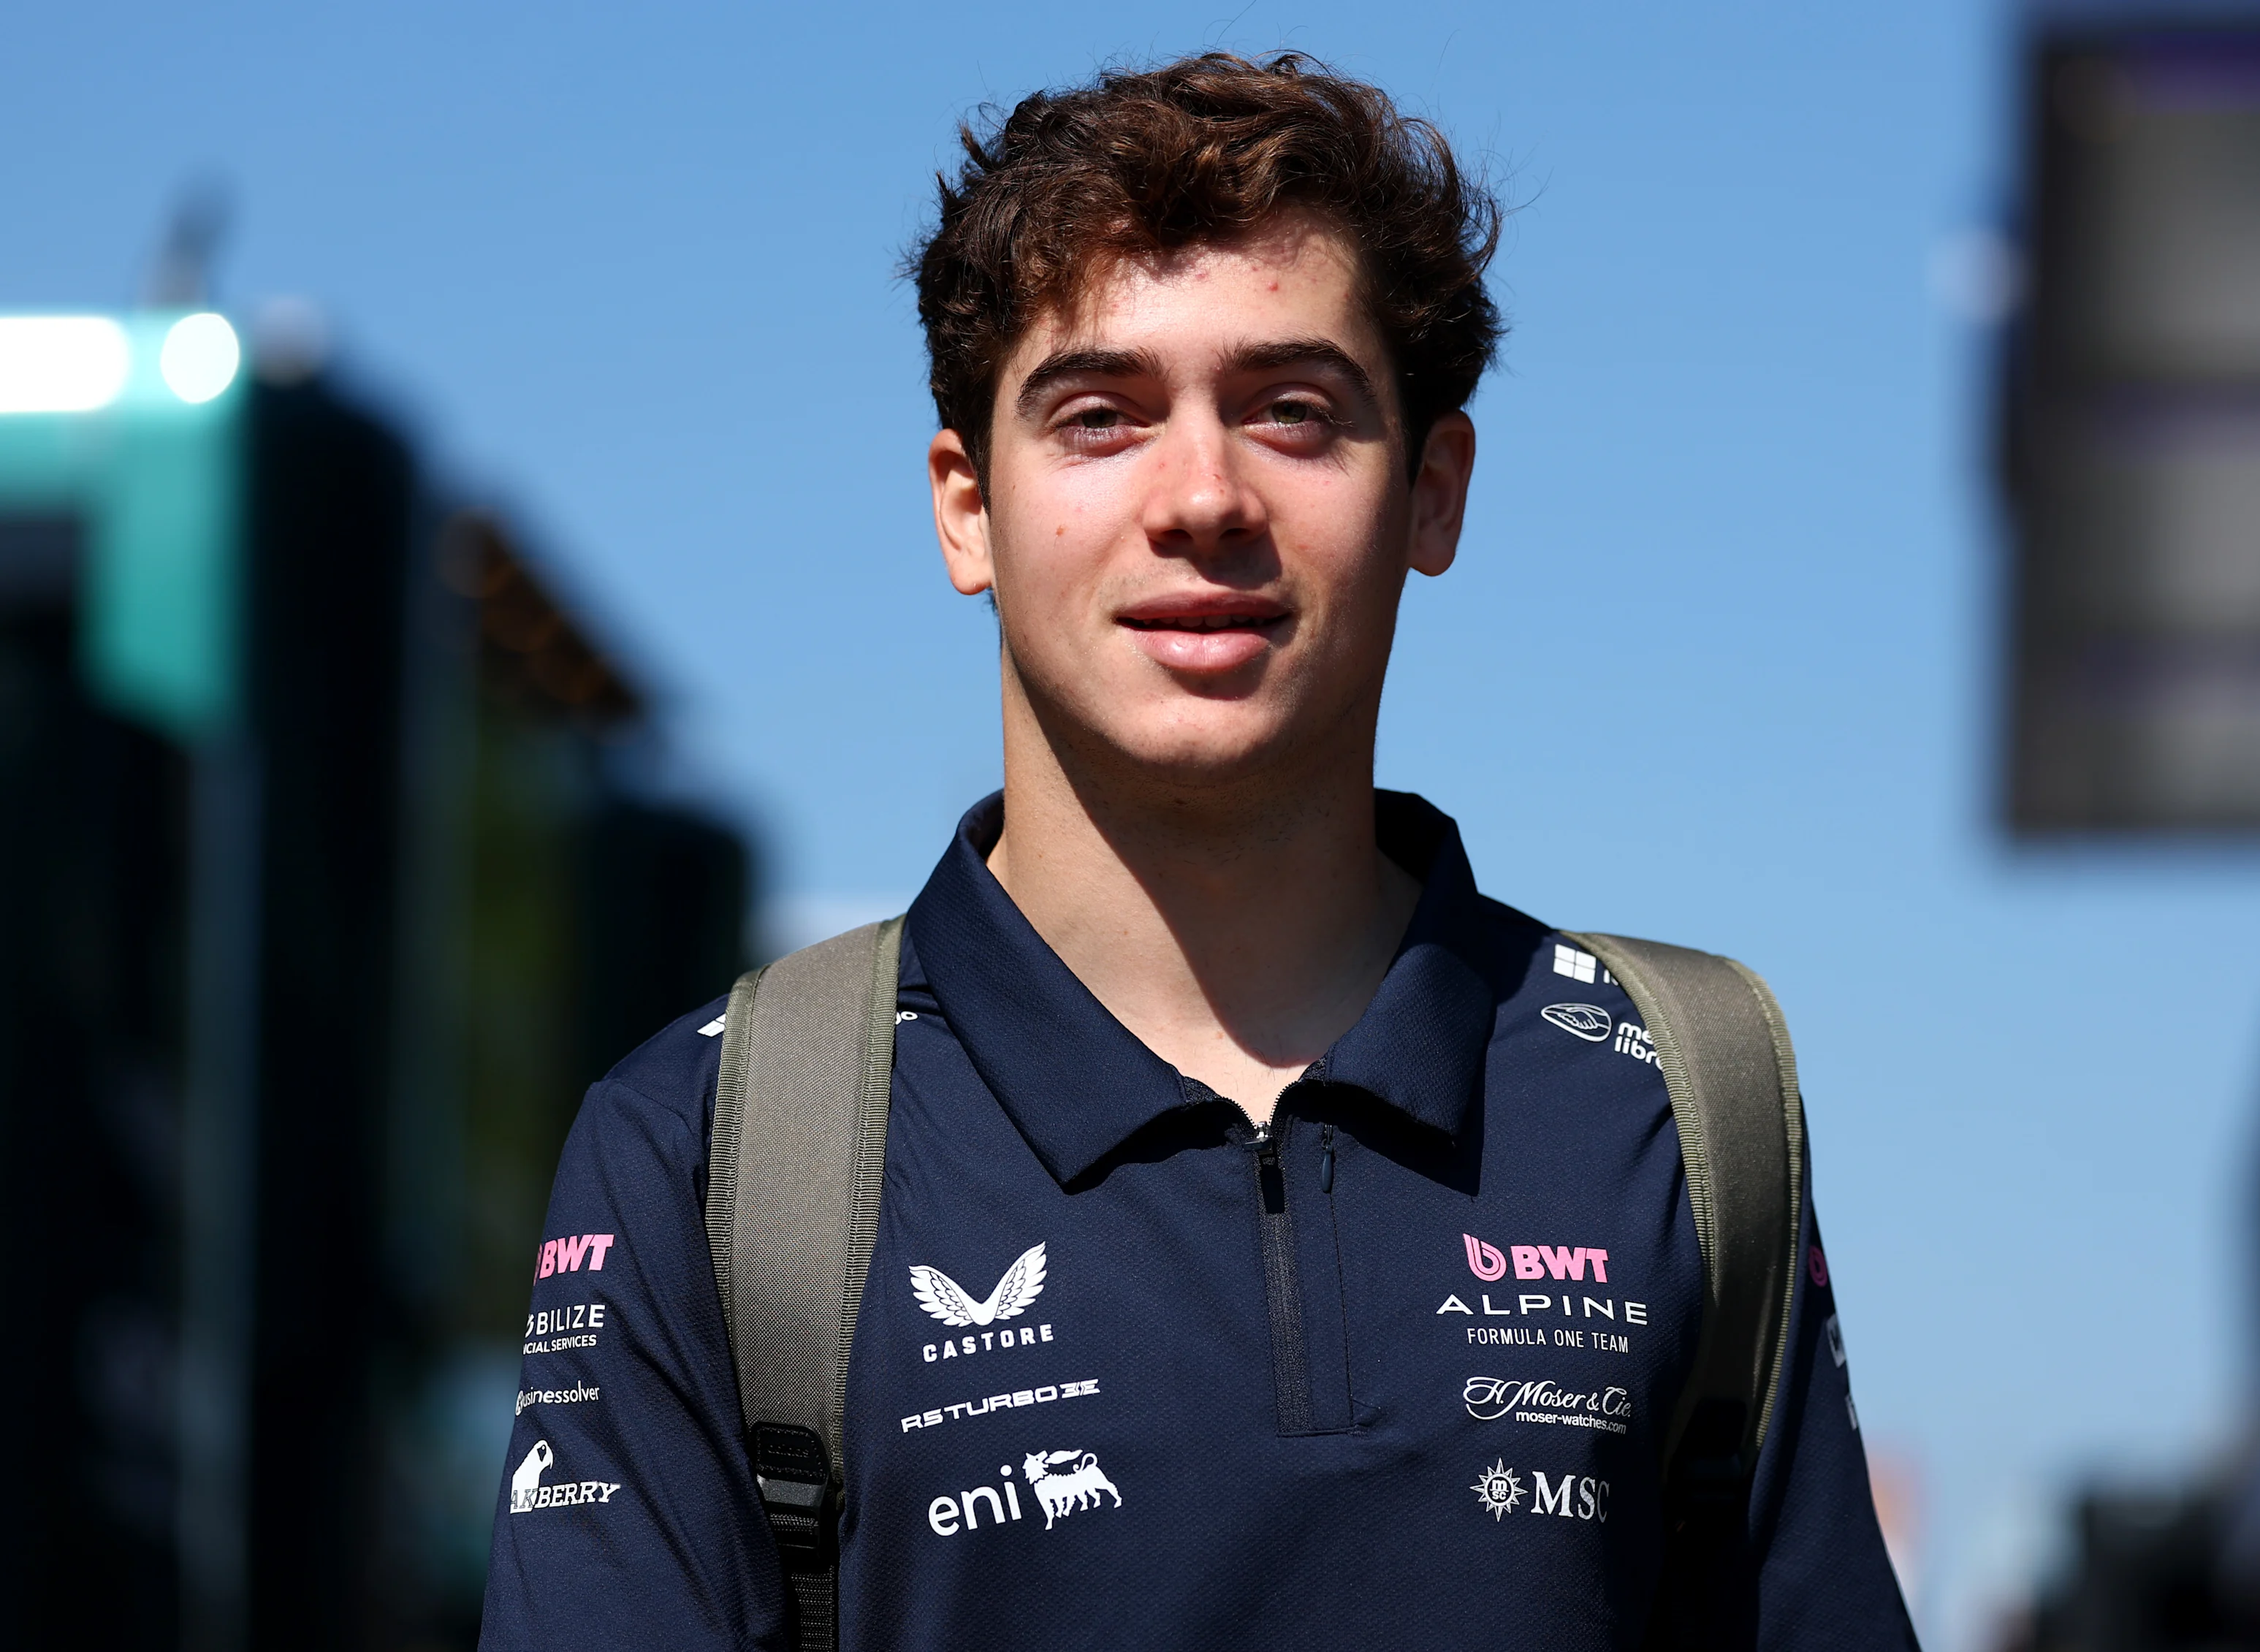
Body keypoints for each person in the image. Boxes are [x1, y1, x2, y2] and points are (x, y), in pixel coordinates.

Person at [479, 51, 1916, 1651]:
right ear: (967, 507)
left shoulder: (1682, 1098)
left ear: (1431, 492)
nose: (1202, 496)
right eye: (1099, 416)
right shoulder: (709, 1151)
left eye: (1292, 410)